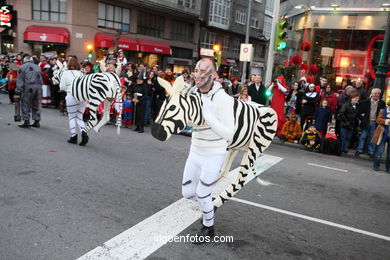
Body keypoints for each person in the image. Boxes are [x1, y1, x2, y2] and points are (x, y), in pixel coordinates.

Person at [182, 57, 234, 243]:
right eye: (197, 70)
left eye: (205, 71)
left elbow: (229, 133)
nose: (199, 74)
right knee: (187, 193)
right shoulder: (193, 94)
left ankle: (208, 227)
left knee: (203, 193)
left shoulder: (223, 99)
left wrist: (209, 115)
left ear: (214, 75)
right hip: (195, 149)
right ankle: (209, 206)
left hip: (214, 152)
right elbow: (188, 119)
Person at [60, 57, 89, 146]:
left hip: (71, 96)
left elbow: (62, 87)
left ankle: (74, 137)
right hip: (82, 97)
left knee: (72, 117)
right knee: (79, 117)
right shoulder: (81, 73)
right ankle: (84, 133)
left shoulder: (65, 73)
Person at [15, 54, 43, 128]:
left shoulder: (22, 67)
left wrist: (18, 90)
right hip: (38, 87)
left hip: (28, 87)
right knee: (36, 104)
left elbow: (20, 80)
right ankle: (37, 121)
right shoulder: (37, 66)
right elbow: (40, 78)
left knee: (25, 104)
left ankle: (26, 121)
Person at [356, 88, 385, 157]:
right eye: (375, 93)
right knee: (362, 136)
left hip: (375, 123)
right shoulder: (364, 102)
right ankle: (359, 150)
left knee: (372, 138)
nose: (376, 95)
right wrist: (363, 118)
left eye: (378, 93)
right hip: (366, 122)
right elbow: (359, 113)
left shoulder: (382, 103)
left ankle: (371, 151)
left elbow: (383, 114)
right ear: (372, 94)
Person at [372, 100, 390, 172]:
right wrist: (387, 121)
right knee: (379, 152)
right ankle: (376, 166)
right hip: (383, 134)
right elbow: (378, 120)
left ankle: (388, 168)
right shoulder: (383, 111)